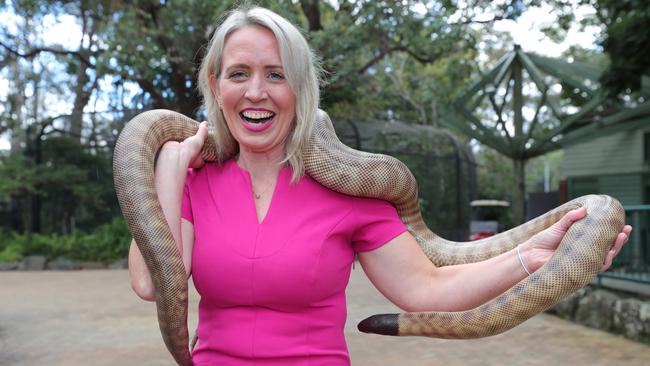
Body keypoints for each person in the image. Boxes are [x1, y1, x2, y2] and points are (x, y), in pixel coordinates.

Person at [128, 6, 633, 366]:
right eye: (239, 73)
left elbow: (425, 287)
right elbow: (154, 283)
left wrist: (532, 259)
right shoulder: (191, 178)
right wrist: (170, 167)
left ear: (300, 90)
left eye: (276, 75)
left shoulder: (351, 189)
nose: (256, 91)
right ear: (216, 85)